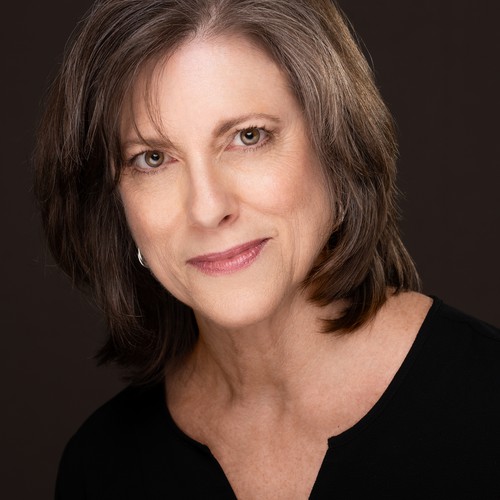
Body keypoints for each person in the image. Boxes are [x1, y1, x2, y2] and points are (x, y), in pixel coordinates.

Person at [34, 0, 500, 498]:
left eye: (248, 136)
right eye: (152, 158)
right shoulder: (100, 468)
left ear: (337, 145)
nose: (207, 209)